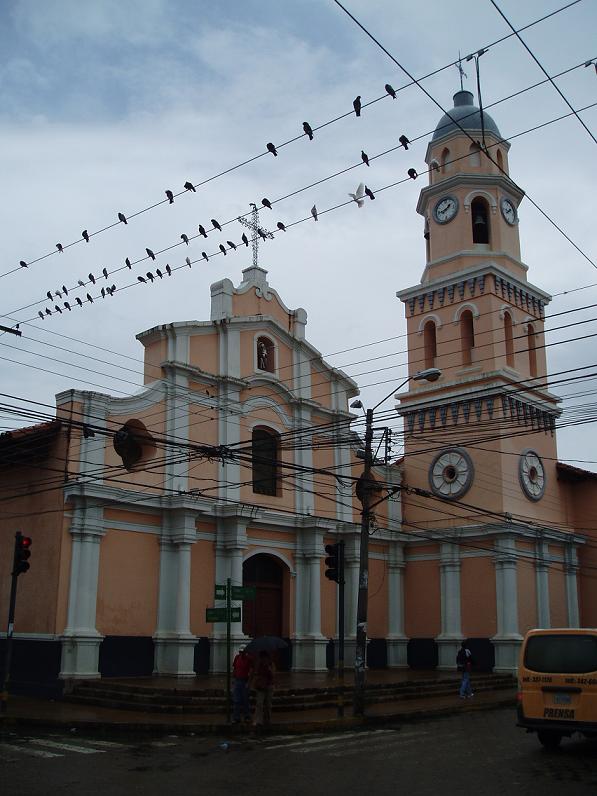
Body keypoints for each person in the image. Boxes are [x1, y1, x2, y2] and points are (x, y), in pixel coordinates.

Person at [252, 650, 275, 728]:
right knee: (259, 703)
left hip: (269, 686)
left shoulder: (271, 665)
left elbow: (273, 676)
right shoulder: (259, 665)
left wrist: (269, 669)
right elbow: (256, 673)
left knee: (268, 705)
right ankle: (258, 720)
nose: (263, 659)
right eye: (262, 658)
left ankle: (267, 720)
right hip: (261, 687)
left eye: (264, 658)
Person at [232, 647, 254, 723]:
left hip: (245, 681)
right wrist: (234, 679)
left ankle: (247, 716)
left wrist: (249, 682)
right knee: (236, 700)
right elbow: (235, 668)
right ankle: (236, 717)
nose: (241, 653)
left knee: (245, 700)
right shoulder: (237, 658)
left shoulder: (249, 659)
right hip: (237, 680)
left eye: (243, 652)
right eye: (240, 652)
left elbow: (251, 671)